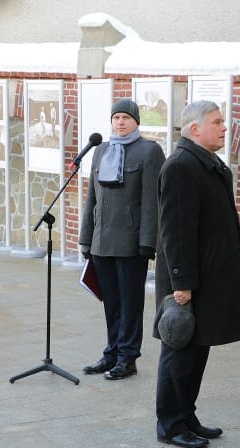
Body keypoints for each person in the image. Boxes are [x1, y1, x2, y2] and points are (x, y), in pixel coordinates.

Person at [153, 100, 240, 448]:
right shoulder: (181, 166)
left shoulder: (204, 163)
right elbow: (175, 230)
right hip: (188, 282)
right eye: (217, 122)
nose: (225, 128)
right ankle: (170, 424)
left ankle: (186, 415)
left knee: (197, 351)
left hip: (205, 279)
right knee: (179, 351)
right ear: (195, 129)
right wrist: (181, 283)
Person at [79, 98, 165, 381]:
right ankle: (112, 353)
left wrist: (147, 242)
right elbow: (92, 197)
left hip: (131, 243)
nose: (120, 122)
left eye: (126, 117)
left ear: (136, 121)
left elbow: (153, 201)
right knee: (111, 303)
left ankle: (128, 358)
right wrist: (86, 238)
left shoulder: (149, 152)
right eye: (116, 117)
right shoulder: (101, 150)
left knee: (130, 304)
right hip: (102, 242)